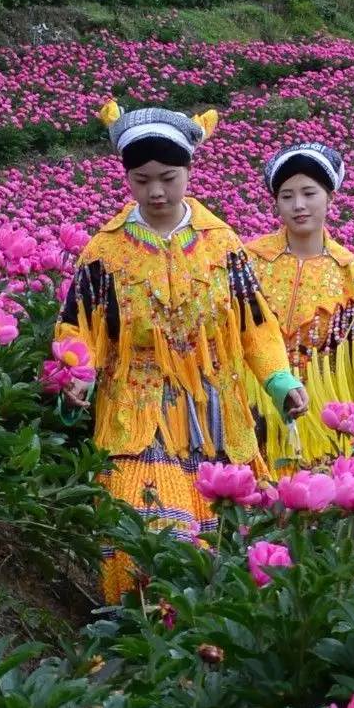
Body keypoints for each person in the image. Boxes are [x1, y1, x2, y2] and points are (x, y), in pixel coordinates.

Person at [53, 101, 308, 603]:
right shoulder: (105, 251)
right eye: (142, 179)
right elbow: (76, 326)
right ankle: (133, 630)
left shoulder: (221, 245)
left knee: (226, 538)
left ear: (188, 171)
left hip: (216, 412)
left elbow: (255, 324)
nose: (156, 191)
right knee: (139, 533)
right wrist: (77, 373)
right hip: (137, 409)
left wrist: (280, 381)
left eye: (168, 177)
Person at [245, 142, 354, 471]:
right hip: (255, 407)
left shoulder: (349, 271)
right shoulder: (250, 260)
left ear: (330, 197)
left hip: (322, 413)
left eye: (309, 193)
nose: (298, 205)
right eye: (286, 196)